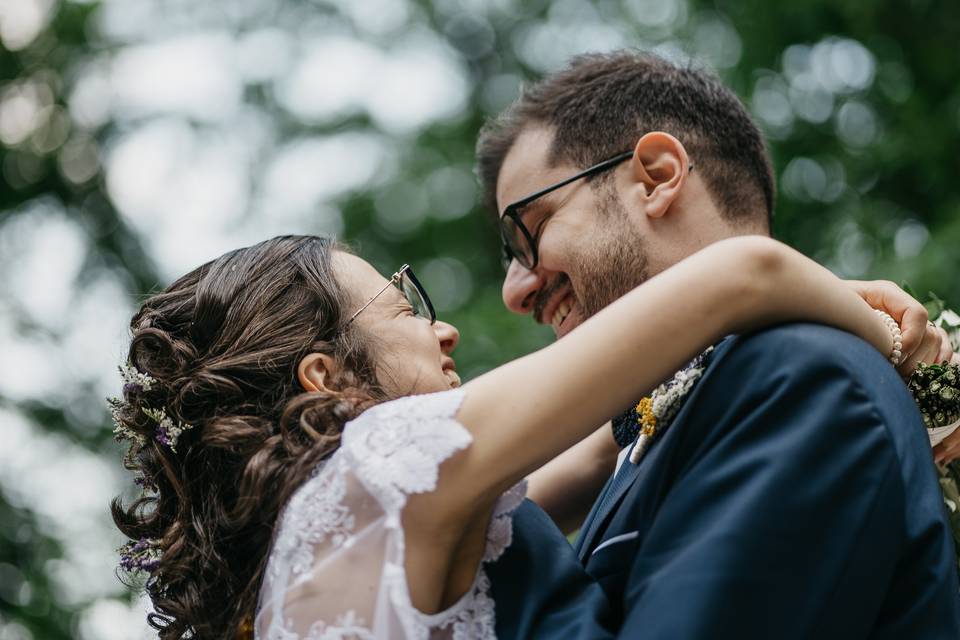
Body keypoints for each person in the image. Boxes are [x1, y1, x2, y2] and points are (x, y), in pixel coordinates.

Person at [112, 234, 924, 639]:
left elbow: (599, 446)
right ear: (326, 379)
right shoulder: (376, 467)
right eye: (404, 307)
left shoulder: (302, 560)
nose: (446, 330)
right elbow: (746, 271)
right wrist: (901, 349)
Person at [476, 50, 960, 636]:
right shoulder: (658, 421)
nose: (515, 291)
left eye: (528, 231)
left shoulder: (800, 379)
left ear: (657, 176)